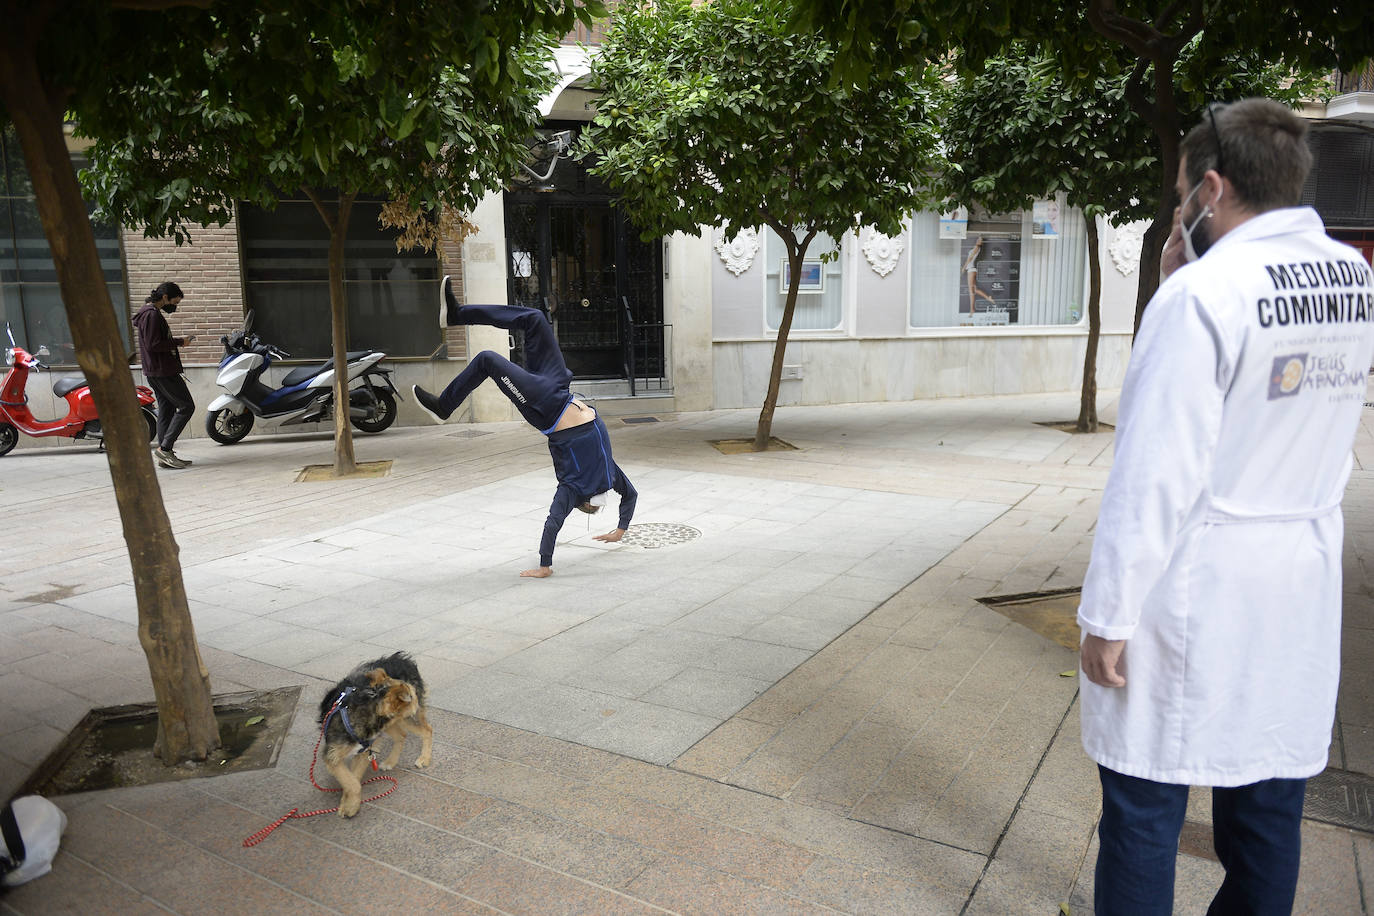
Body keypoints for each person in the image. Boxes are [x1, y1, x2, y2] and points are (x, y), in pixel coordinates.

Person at [1077, 98, 1374, 915]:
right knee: (1269, 809)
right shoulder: (1354, 277)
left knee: (1142, 805)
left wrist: (1108, 615)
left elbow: (1155, 473)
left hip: (1198, 579)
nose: (1181, 210)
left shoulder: (1204, 297)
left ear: (1212, 187)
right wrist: (1183, 282)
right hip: (1298, 580)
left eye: (1182, 194)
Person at [413, 279, 637, 577]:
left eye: (594, 505)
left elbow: (553, 523)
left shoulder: (572, 488)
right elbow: (631, 495)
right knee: (535, 319)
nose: (599, 498)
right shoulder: (608, 474)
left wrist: (545, 566)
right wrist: (620, 530)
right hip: (560, 386)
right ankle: (457, 314)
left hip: (545, 407)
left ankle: (444, 406)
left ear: (585, 502)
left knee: (487, 361)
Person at [133, 282, 197, 469]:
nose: (174, 307)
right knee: (186, 406)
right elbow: (154, 345)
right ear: (165, 297)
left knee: (167, 408)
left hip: (156, 371)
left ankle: (165, 454)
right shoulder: (152, 315)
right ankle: (165, 449)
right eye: (174, 302)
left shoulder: (149, 313)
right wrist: (180, 342)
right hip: (163, 371)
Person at [961, 235, 997, 314]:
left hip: (971, 269)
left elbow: (970, 258)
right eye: (978, 239)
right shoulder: (976, 247)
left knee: (971, 291)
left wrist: (964, 267)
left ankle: (972, 309)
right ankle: (988, 298)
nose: (978, 240)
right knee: (974, 290)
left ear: (981, 243)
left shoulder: (977, 247)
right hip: (972, 269)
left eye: (980, 240)